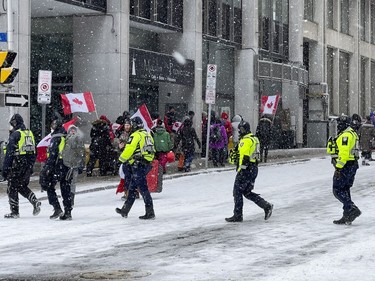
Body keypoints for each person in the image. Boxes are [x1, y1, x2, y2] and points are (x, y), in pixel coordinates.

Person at [225, 120, 273, 222]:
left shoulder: (245, 141)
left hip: (246, 169)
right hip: (254, 168)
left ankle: (238, 215)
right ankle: (265, 205)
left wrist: (240, 169)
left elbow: (244, 157)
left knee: (237, 192)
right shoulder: (254, 139)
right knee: (247, 192)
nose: (239, 132)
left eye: (241, 129)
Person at [115, 116, 156, 219]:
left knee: (143, 189)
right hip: (146, 163)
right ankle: (125, 210)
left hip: (138, 164)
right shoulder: (147, 134)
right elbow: (152, 150)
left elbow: (129, 149)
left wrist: (120, 160)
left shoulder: (135, 135)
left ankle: (150, 212)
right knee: (132, 188)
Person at [2, 114, 41, 219]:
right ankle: (35, 201)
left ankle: (14, 212)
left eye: (12, 124)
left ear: (15, 123)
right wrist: (30, 166)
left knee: (12, 187)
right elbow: (34, 152)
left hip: (17, 165)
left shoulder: (15, 135)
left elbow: (9, 155)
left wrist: (4, 170)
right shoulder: (29, 133)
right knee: (21, 186)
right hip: (27, 165)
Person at [327, 114, 362, 225]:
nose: (337, 126)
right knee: (345, 189)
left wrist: (338, 167)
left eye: (338, 124)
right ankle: (347, 215)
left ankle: (351, 208)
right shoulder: (351, 133)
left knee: (337, 190)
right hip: (352, 164)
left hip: (346, 165)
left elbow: (344, 153)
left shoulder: (345, 135)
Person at [39, 118, 73, 220]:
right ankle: (68, 211)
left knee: (49, 185)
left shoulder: (56, 137)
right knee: (66, 188)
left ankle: (57, 208)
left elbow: (53, 154)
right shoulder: (66, 135)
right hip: (67, 165)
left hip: (58, 165)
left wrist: (47, 168)